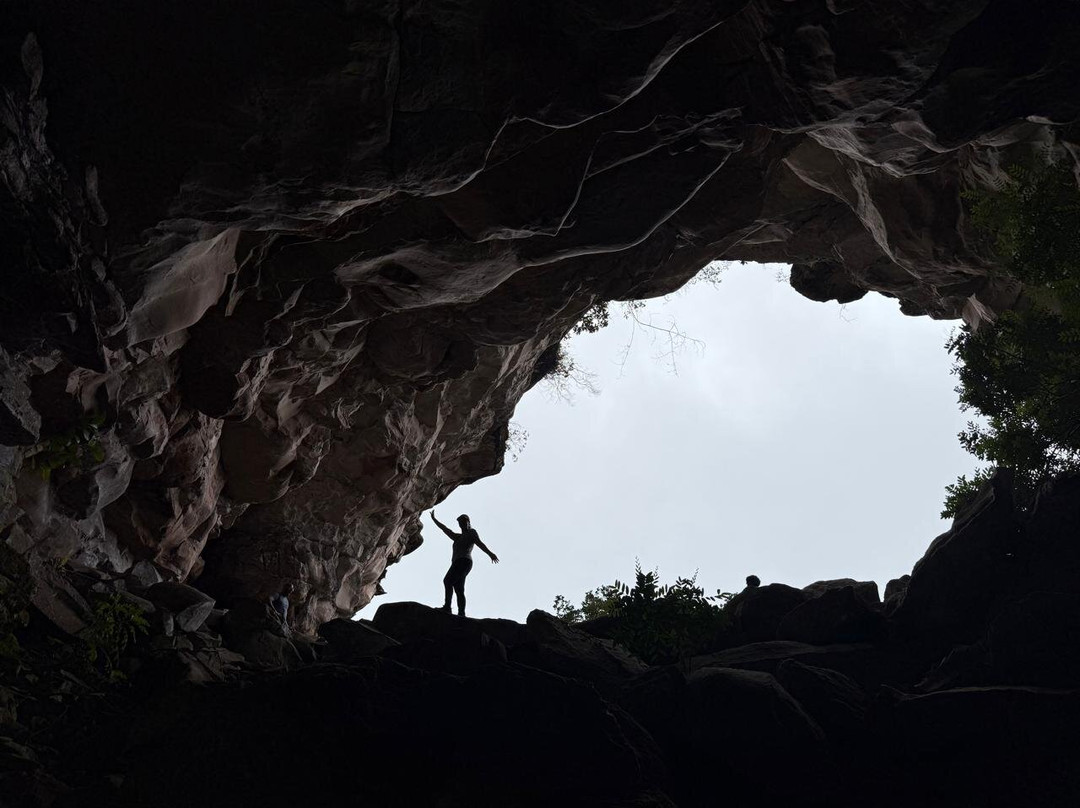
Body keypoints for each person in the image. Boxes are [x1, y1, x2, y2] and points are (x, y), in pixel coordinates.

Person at [430, 511, 498, 617]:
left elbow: (479, 543)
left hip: (464, 561)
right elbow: (445, 529)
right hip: (459, 562)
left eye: (465, 522)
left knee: (448, 581)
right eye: (461, 522)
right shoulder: (457, 537)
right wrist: (434, 519)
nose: (463, 524)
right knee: (458, 588)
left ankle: (447, 607)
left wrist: (490, 554)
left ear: (468, 523)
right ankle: (461, 614)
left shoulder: (471, 533)